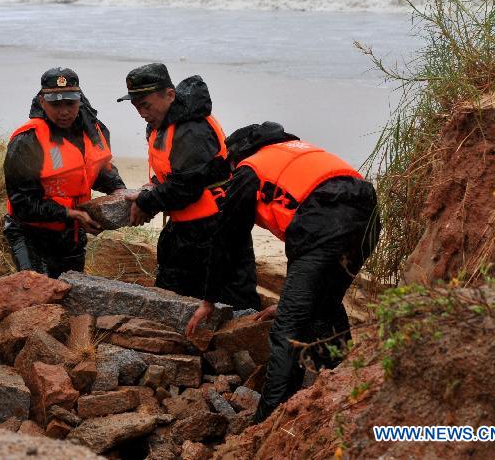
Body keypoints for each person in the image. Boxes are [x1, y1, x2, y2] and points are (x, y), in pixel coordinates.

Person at [185, 122, 380, 424]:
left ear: (237, 156)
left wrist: (208, 300)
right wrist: (290, 297)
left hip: (324, 224)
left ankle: (269, 421)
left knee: (287, 330)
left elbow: (226, 241)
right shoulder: (297, 153)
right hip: (366, 216)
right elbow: (307, 224)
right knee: (325, 307)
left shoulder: (249, 169)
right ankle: (344, 388)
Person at [118, 63, 260, 310]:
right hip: (187, 227)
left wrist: (145, 202)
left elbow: (186, 186)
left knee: (232, 302)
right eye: (135, 105)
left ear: (170, 95)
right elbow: (172, 174)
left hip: (216, 228)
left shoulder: (192, 130)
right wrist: (152, 187)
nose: (141, 112)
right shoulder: (160, 122)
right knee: (173, 294)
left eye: (145, 104)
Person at [3, 67, 126, 277]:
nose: (64, 111)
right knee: (36, 290)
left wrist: (121, 192)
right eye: (55, 104)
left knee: (70, 294)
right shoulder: (27, 141)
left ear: (80, 100)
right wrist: (70, 214)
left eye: (70, 103)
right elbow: (22, 204)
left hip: (72, 235)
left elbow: (100, 172)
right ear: (42, 102)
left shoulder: (92, 132)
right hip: (30, 234)